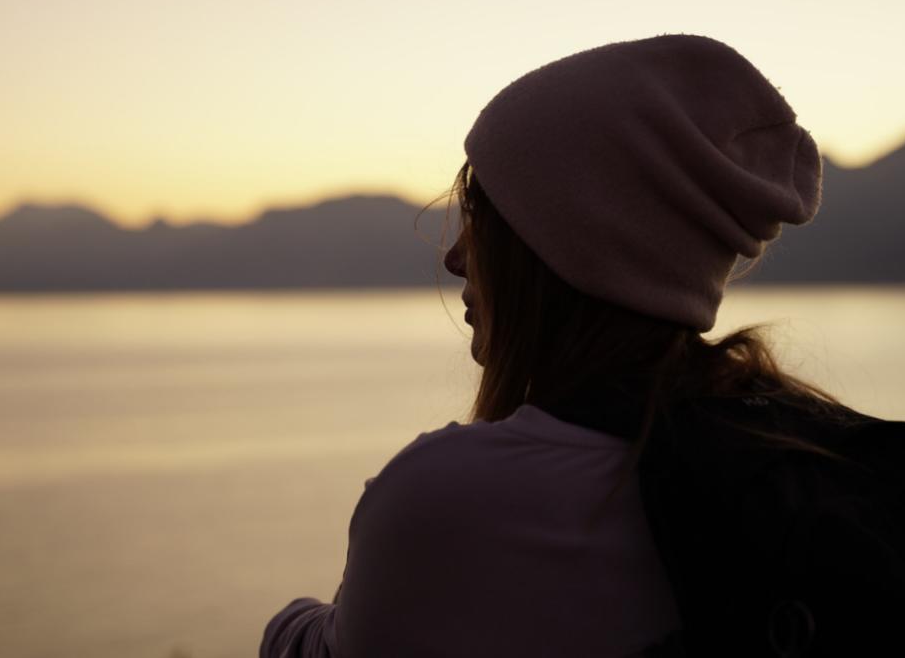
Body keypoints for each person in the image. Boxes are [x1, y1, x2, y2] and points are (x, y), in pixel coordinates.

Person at [261, 34, 846, 657]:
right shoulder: (814, 457)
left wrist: (285, 624)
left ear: (559, 247)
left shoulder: (452, 496)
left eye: (481, 219)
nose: (457, 258)